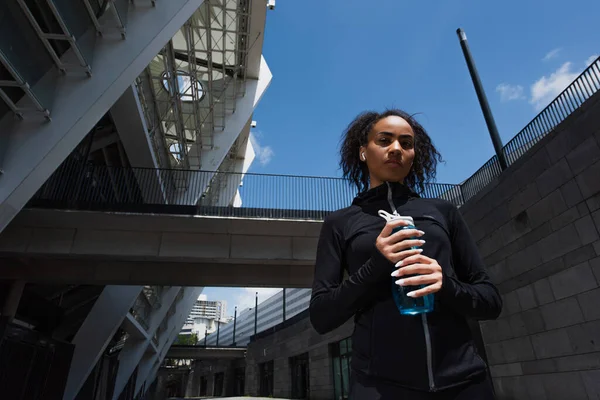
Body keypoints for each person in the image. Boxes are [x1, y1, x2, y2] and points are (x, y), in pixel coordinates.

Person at [309, 109, 502, 399]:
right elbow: (322, 317)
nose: (396, 148)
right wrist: (377, 264)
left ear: (414, 155)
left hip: (465, 382)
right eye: (384, 140)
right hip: (377, 385)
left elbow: (490, 301)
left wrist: (446, 285)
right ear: (363, 152)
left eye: (406, 143)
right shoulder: (340, 222)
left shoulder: (443, 212)